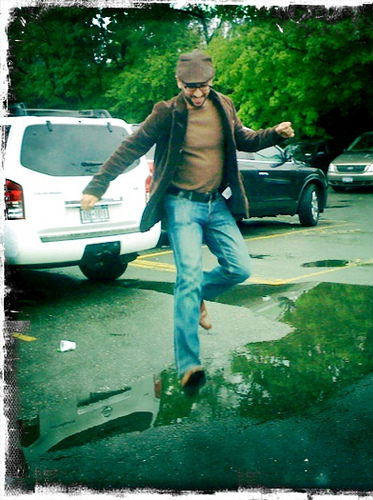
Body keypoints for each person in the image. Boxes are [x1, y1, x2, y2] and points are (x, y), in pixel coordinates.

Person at [81, 49, 294, 395]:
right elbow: (131, 147)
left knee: (240, 268)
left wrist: (275, 134)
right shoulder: (167, 112)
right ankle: (189, 365)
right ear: (178, 82)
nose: (197, 93)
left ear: (212, 81)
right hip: (181, 206)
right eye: (191, 87)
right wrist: (97, 185)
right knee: (188, 278)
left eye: (204, 86)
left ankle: (196, 298)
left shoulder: (223, 105)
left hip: (215, 204)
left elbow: (244, 139)